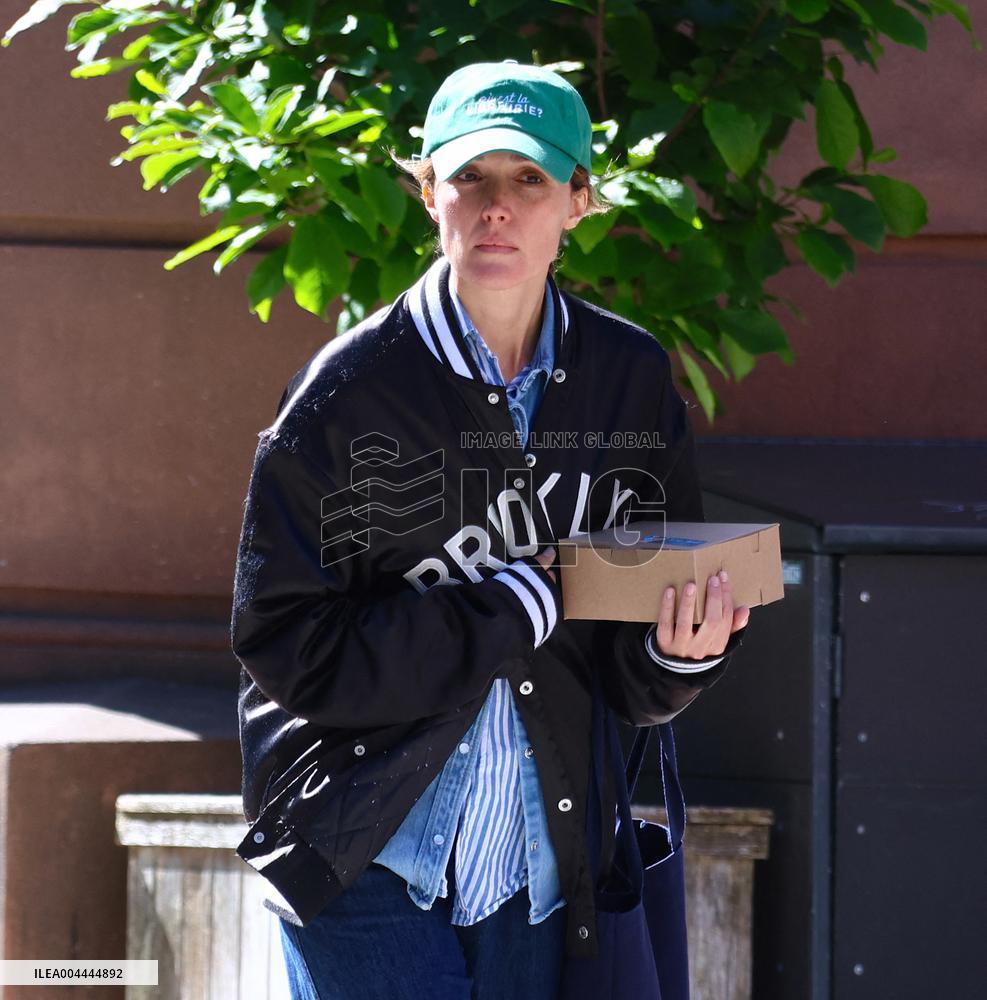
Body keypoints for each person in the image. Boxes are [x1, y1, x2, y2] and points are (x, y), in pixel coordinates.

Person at [231, 60, 751, 1000]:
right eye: (469, 177)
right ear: (427, 192)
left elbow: (626, 659)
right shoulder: (349, 394)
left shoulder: (628, 379)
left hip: (541, 869)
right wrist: (511, 602)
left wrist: (679, 656)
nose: (496, 208)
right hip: (363, 854)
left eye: (529, 180)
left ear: (578, 202)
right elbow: (286, 644)